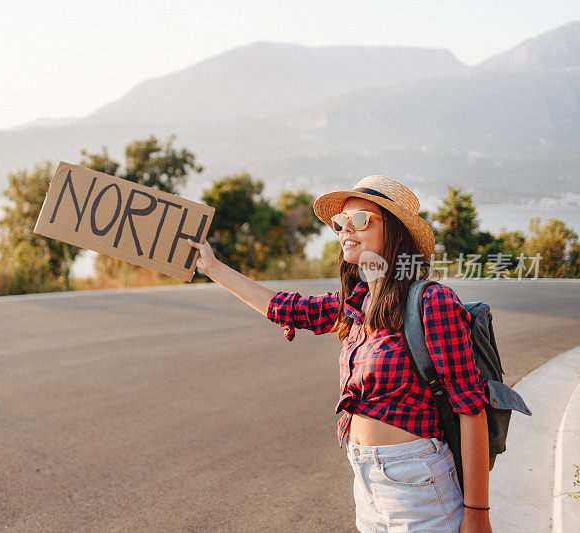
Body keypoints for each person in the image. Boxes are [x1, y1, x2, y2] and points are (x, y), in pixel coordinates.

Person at [187, 175, 492, 532]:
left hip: (418, 484)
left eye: (361, 220)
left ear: (394, 231)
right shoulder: (356, 303)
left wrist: (477, 513)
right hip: (366, 483)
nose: (347, 229)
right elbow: (286, 308)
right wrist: (212, 268)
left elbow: (471, 410)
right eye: (340, 223)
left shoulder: (431, 301)